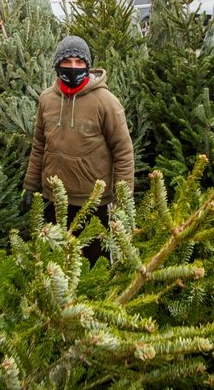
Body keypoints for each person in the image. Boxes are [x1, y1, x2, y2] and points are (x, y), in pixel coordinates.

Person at [22, 35, 135, 265]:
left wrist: (123, 205)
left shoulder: (106, 102)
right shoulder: (47, 99)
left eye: (79, 62)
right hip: (53, 199)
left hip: (94, 202)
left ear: (87, 65)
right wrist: (30, 185)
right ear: (57, 65)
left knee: (96, 266)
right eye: (67, 61)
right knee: (55, 264)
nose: (73, 67)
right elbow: (39, 146)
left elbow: (123, 153)